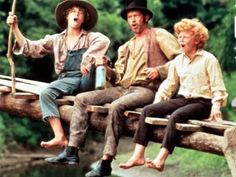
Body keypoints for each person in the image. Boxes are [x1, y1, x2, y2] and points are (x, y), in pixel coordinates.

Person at [45, 0, 180, 175]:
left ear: (146, 17)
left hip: (147, 90)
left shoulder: (158, 35)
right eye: (129, 17)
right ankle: (72, 151)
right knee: (81, 98)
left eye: (135, 16)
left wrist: (160, 71)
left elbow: (181, 60)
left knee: (116, 106)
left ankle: (106, 162)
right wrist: (107, 69)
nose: (132, 21)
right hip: (123, 89)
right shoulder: (126, 46)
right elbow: (118, 79)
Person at [119, 18, 228, 172]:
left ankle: (160, 159)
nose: (180, 39)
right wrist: (157, 104)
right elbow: (168, 86)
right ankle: (138, 156)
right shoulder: (178, 61)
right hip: (183, 99)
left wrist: (216, 106)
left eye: (185, 36)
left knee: (176, 116)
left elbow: (218, 87)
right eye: (179, 36)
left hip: (203, 102)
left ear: (197, 40)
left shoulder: (208, 59)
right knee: (148, 110)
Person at [6, 0, 110, 149]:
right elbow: (31, 48)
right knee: (46, 93)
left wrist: (87, 59)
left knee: (100, 61)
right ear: (66, 16)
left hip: (87, 80)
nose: (77, 14)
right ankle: (60, 136)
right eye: (73, 11)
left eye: (80, 12)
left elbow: (104, 40)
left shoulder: (90, 37)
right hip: (68, 79)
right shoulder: (56, 39)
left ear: (84, 18)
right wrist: (15, 27)